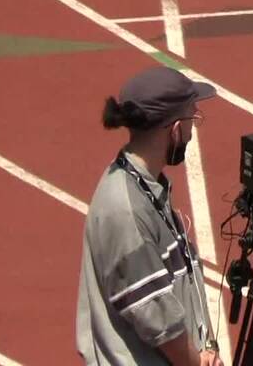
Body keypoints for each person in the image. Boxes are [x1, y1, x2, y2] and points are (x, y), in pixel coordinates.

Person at [76, 65, 224, 366]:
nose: (193, 130)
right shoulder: (126, 208)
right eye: (192, 118)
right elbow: (156, 320)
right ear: (174, 129)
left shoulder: (145, 185)